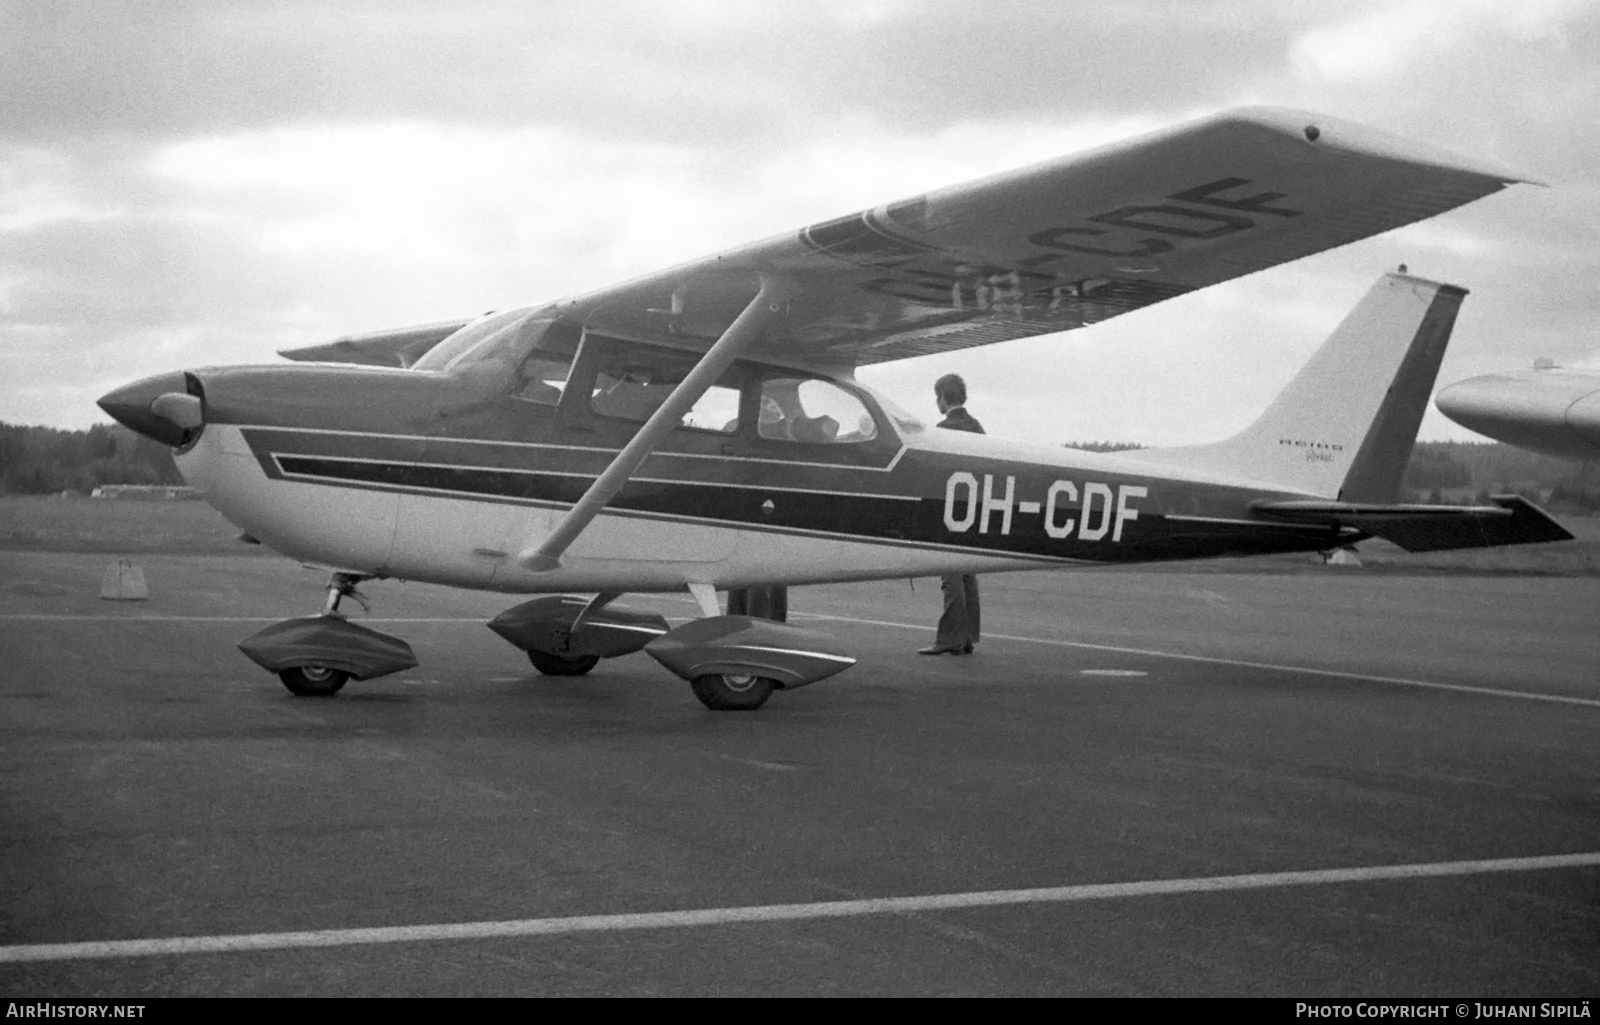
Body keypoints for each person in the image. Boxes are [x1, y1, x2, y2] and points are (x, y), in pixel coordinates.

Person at [920, 373, 983, 656]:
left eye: (938, 397)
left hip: (950, 512)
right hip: (974, 510)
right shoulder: (977, 427)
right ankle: (968, 636)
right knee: (968, 573)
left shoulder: (943, 430)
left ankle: (949, 638)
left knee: (950, 575)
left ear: (944, 397)